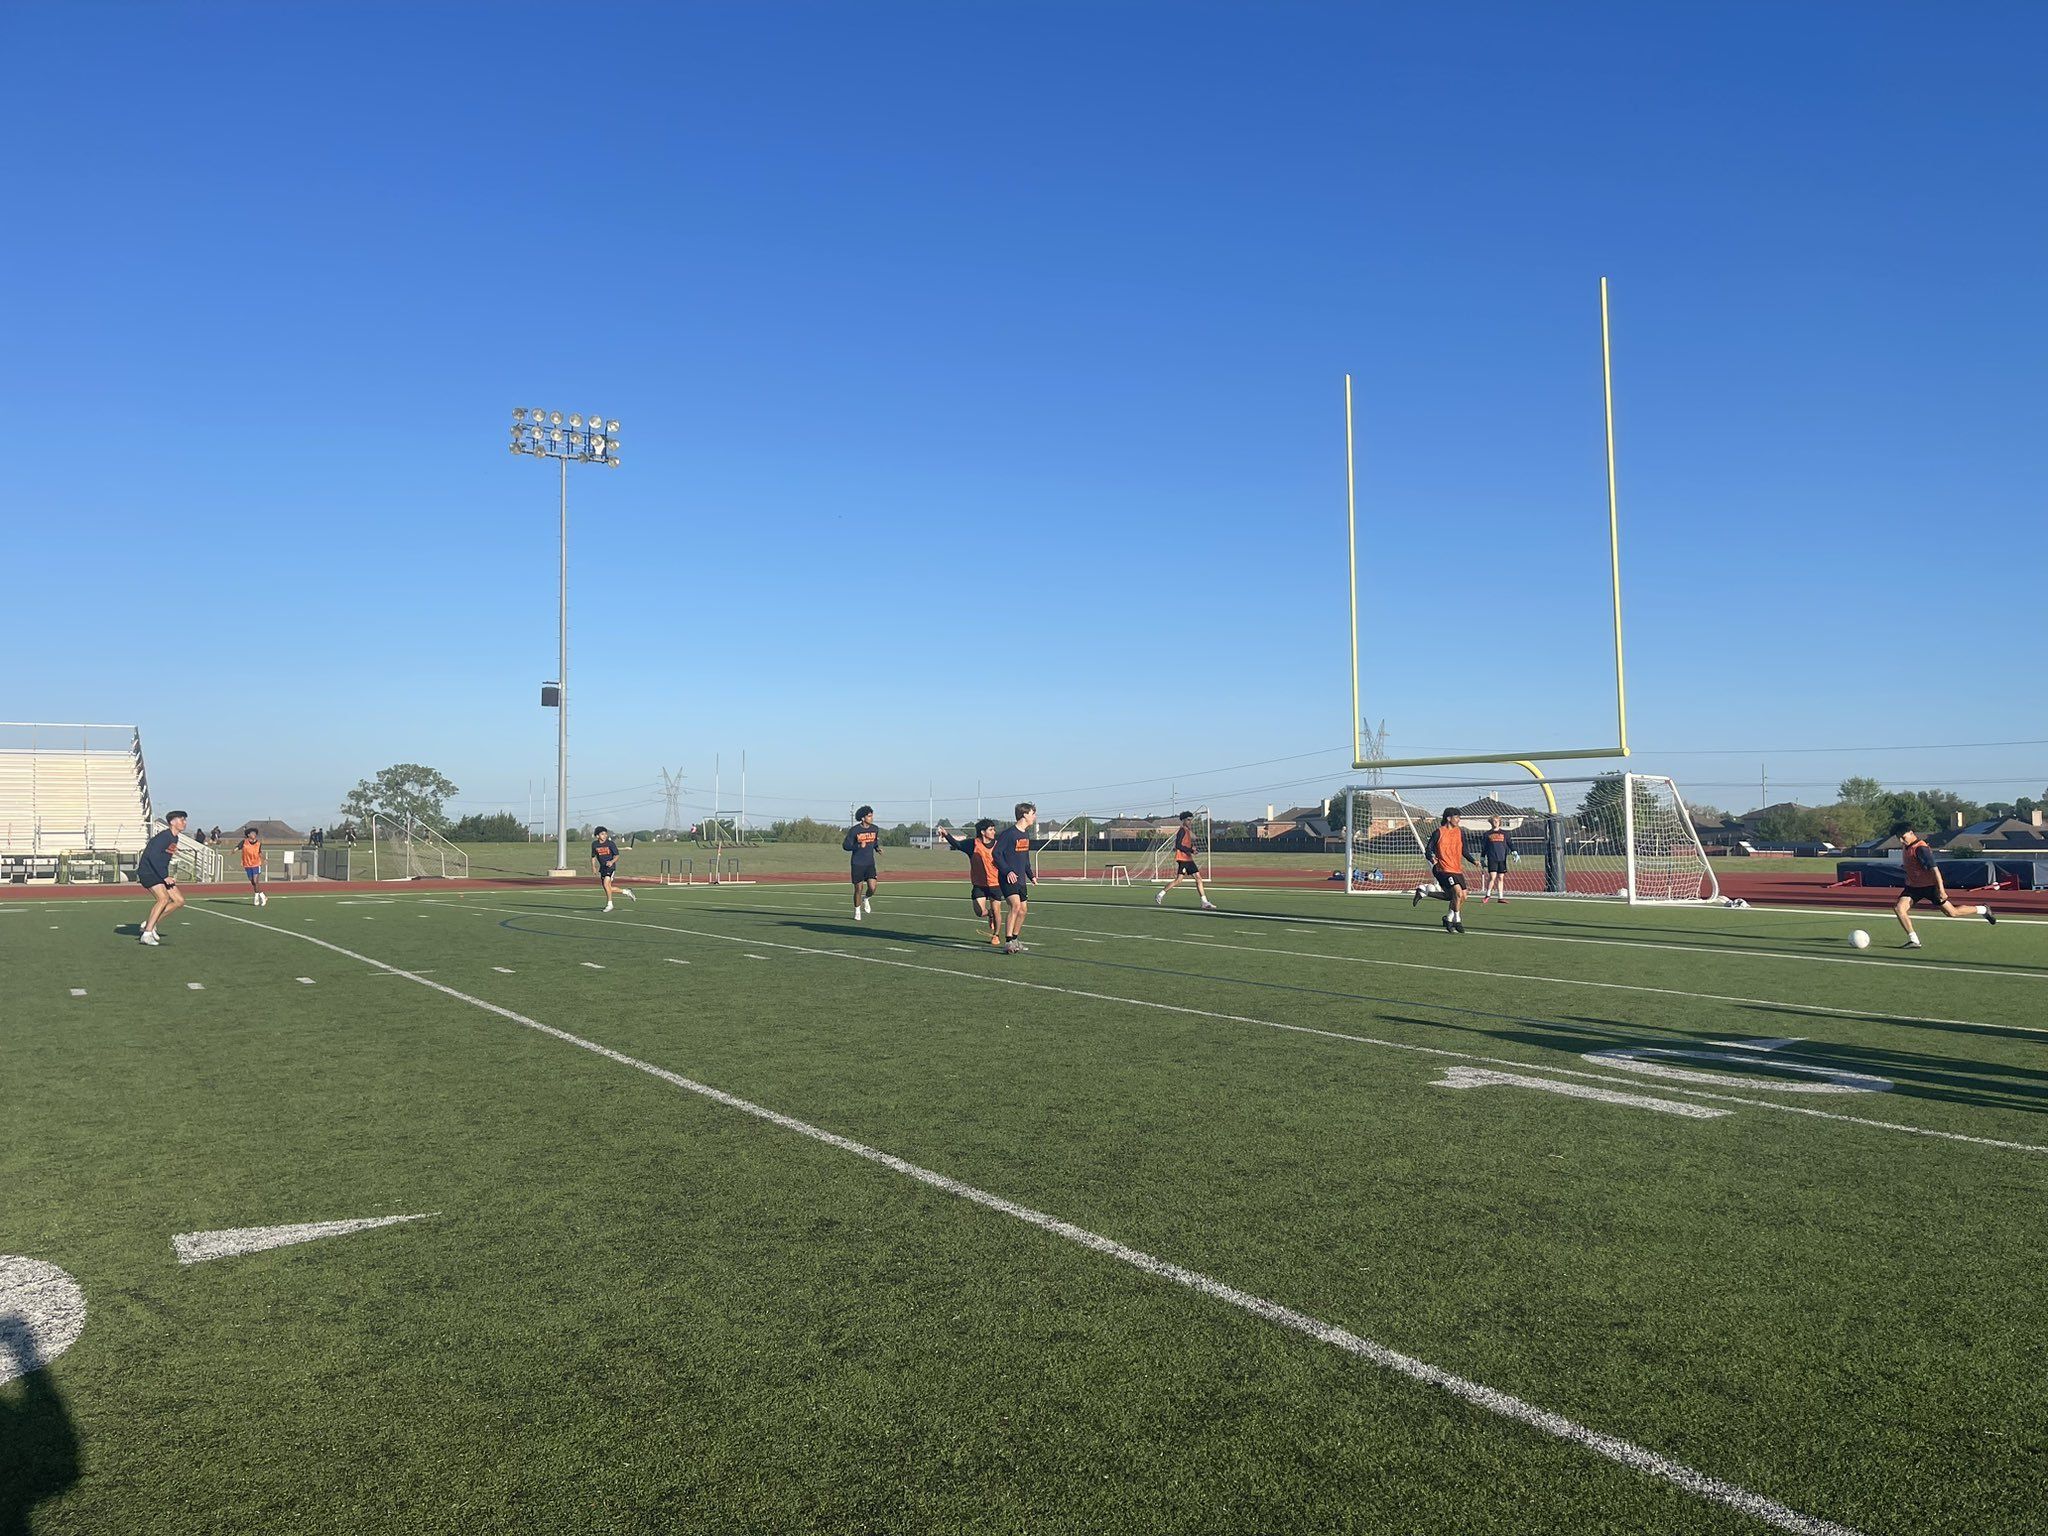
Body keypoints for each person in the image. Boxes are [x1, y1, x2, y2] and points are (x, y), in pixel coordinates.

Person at [1893, 829, 1995, 949]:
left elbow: (1935, 870)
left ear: (1911, 833)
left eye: (1903, 837)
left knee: (1952, 912)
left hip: (1930, 886)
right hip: (1913, 887)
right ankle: (1914, 940)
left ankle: (1983, 909)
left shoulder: (1921, 849)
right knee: (1899, 908)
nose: (1901, 840)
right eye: (1898, 838)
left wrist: (1941, 890)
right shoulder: (1906, 847)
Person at [940, 818, 1006, 946]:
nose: (994, 831)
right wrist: (946, 835)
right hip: (979, 884)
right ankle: (989, 914)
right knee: (979, 912)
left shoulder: (998, 844)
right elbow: (957, 845)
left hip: (996, 884)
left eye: (994, 829)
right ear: (982, 832)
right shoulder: (973, 844)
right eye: (991, 829)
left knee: (997, 910)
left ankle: (996, 935)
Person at [1412, 807, 1470, 933]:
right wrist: (1431, 857)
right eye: (1456, 817)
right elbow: (1428, 849)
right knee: (1457, 893)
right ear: (1449, 818)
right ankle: (1457, 920)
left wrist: (1473, 861)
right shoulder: (1439, 832)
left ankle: (1446, 915)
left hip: (1456, 869)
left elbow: (1464, 850)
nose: (1459, 820)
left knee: (1460, 896)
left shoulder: (1460, 832)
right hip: (1442, 869)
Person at [134, 811, 188, 946]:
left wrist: (165, 875)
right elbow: (153, 856)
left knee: (179, 901)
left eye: (185, 820)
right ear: (172, 822)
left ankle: (150, 923)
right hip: (149, 872)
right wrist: (164, 876)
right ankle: (146, 934)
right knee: (163, 899)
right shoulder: (164, 837)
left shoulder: (174, 838)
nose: (185, 822)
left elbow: (163, 859)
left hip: (159, 872)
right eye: (181, 820)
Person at [995, 802, 1038, 953]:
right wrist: (1007, 871)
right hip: (1008, 878)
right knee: (1015, 906)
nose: (1035, 817)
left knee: (1023, 910)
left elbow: (1025, 858)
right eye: (1033, 813)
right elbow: (996, 854)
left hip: (1021, 879)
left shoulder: (1025, 834)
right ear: (1025, 815)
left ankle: (1015, 938)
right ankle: (1008, 943)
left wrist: (1030, 875)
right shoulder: (1009, 834)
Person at [1156, 810, 1217, 910]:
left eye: (1190, 820)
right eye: (1188, 820)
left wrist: (1192, 849)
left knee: (1198, 878)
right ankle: (1160, 894)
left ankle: (1204, 902)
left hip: (1188, 859)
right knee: (1179, 880)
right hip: (1183, 859)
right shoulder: (1182, 830)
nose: (1190, 822)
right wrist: (1190, 850)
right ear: (1183, 820)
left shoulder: (1187, 831)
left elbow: (1186, 844)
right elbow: (1178, 845)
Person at [843, 806, 881, 920]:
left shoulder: (875, 829)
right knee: (858, 889)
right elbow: (845, 846)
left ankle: (866, 899)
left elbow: (874, 842)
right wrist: (859, 845)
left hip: (870, 863)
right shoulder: (854, 830)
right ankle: (857, 910)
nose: (872, 817)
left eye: (872, 815)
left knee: (872, 888)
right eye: (869, 816)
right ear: (863, 818)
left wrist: (877, 848)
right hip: (857, 864)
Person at [591, 826, 635, 912]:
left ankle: (609, 904)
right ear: (597, 836)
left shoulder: (610, 843)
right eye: (602, 834)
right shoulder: (594, 844)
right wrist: (593, 867)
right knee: (608, 888)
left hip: (610, 867)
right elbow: (593, 857)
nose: (604, 835)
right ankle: (626, 891)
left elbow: (617, 855)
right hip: (602, 868)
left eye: (605, 834)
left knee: (606, 883)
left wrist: (611, 862)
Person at [1479, 815, 1513, 903]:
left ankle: (1500, 897)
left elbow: (1510, 844)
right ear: (1491, 822)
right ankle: (1487, 895)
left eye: (1497, 821)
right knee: (1492, 877)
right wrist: (1482, 857)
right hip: (1492, 858)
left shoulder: (1505, 833)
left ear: (1500, 822)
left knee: (1501, 877)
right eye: (1494, 821)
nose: (1495, 822)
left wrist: (1514, 852)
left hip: (1502, 858)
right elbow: (1485, 847)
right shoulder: (1487, 834)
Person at [239, 826, 268, 907]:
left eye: (255, 833)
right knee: (252, 882)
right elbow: (238, 847)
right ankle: (262, 895)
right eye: (252, 833)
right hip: (247, 865)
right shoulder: (244, 842)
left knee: (255, 881)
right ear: (248, 835)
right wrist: (233, 851)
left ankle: (257, 897)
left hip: (256, 864)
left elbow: (259, 852)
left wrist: (264, 859)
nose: (254, 834)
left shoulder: (258, 843)